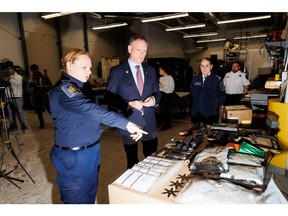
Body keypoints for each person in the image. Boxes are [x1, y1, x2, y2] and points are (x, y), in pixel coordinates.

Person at [49, 48, 147, 204]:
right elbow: (91, 110)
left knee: (90, 195)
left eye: (90, 67)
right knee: (77, 200)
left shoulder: (81, 87)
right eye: (84, 67)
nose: (89, 72)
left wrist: (127, 106)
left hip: (90, 151)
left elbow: (95, 111)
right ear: (69, 65)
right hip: (75, 156)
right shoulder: (64, 89)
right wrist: (126, 124)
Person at [105, 34, 161, 169]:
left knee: (152, 158)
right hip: (129, 121)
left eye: (145, 51)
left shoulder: (151, 70)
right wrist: (128, 104)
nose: (142, 54)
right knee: (132, 160)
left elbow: (157, 93)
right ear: (130, 49)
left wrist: (153, 99)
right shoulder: (117, 71)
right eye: (138, 50)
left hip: (149, 121)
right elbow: (109, 97)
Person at [190, 57, 226, 128]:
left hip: (211, 113)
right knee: (197, 134)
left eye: (207, 66)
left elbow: (222, 96)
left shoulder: (217, 80)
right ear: (200, 67)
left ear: (211, 66)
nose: (204, 68)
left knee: (210, 135)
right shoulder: (195, 79)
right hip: (197, 113)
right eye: (202, 66)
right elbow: (192, 94)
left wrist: (214, 105)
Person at [3, 61, 28, 132]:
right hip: (7, 96)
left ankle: (23, 124)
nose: (9, 70)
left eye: (11, 69)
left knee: (20, 111)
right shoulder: (6, 77)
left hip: (17, 97)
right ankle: (13, 124)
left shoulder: (18, 77)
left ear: (14, 70)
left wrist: (10, 79)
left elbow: (17, 83)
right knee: (10, 112)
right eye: (8, 69)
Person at [27, 64, 53, 129]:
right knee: (38, 111)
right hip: (36, 97)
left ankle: (57, 122)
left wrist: (43, 86)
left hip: (44, 96)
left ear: (38, 69)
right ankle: (42, 123)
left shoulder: (44, 77)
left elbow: (51, 86)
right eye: (33, 70)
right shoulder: (31, 79)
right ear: (31, 71)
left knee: (50, 110)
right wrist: (31, 89)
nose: (35, 71)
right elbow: (28, 88)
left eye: (36, 69)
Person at [158, 65, 175, 130]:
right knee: (162, 110)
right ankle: (163, 123)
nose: (159, 72)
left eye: (160, 70)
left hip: (167, 95)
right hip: (161, 95)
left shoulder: (170, 77)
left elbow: (171, 88)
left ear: (163, 70)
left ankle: (168, 124)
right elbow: (159, 88)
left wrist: (163, 86)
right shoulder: (160, 78)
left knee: (167, 110)